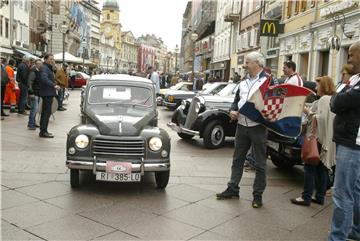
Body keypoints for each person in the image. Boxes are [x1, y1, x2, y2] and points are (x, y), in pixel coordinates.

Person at [216, 51, 269, 208]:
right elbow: (236, 101)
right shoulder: (243, 82)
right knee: (237, 159)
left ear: (257, 63)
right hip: (241, 125)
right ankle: (233, 188)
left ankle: (257, 195)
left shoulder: (268, 81)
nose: (245, 65)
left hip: (258, 127)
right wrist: (233, 109)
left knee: (260, 163)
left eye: (247, 62)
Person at [328, 41, 360, 241]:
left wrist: (338, 94)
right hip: (352, 142)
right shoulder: (355, 80)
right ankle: (356, 232)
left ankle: (337, 237)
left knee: (342, 195)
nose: (349, 60)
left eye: (352, 55)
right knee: (355, 192)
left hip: (352, 144)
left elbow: (337, 101)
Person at [290, 76, 336, 206]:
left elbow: (319, 119)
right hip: (326, 139)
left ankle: (306, 197)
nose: (315, 88)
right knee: (321, 169)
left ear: (324, 86)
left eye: (317, 85)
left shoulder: (323, 100)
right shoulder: (331, 99)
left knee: (310, 168)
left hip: (318, 139)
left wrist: (307, 111)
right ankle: (320, 196)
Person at [39, 53, 60, 138]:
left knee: (46, 113)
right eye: (50, 59)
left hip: (48, 92)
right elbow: (44, 79)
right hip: (47, 93)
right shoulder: (44, 68)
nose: (52, 60)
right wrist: (54, 85)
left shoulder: (48, 68)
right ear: (45, 59)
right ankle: (43, 132)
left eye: (53, 59)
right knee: (46, 113)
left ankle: (44, 130)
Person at [27, 59, 42, 130]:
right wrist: (31, 92)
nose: (40, 65)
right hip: (34, 93)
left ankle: (33, 122)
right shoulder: (33, 72)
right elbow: (30, 83)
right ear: (35, 64)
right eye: (38, 63)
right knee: (34, 109)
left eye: (40, 64)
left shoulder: (39, 71)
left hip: (38, 93)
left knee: (35, 109)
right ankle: (30, 124)